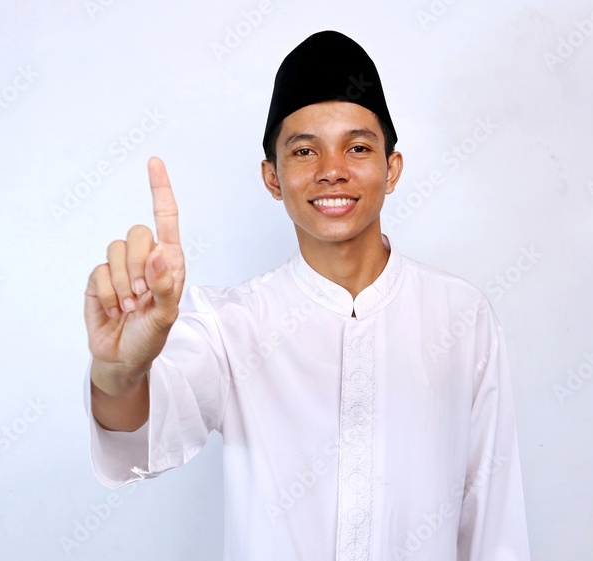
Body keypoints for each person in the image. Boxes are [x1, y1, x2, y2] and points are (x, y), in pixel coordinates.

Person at [83, 30, 530, 560]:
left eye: (358, 147)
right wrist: (118, 372)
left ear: (392, 169)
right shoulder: (231, 325)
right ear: (273, 178)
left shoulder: (461, 316)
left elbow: (492, 520)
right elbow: (143, 438)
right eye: (304, 150)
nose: (332, 170)